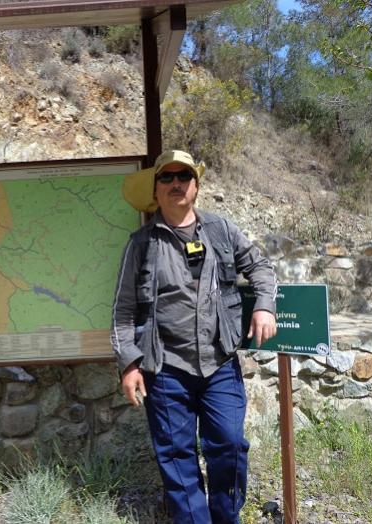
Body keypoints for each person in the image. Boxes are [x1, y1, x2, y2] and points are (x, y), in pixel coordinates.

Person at [110, 150, 277, 524]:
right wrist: (129, 364)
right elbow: (122, 310)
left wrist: (265, 305)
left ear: (196, 186)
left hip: (220, 365)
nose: (176, 184)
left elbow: (261, 268)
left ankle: (225, 517)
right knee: (176, 457)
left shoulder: (221, 230)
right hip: (165, 369)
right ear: (156, 189)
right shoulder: (141, 244)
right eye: (166, 177)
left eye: (183, 176)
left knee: (230, 445)